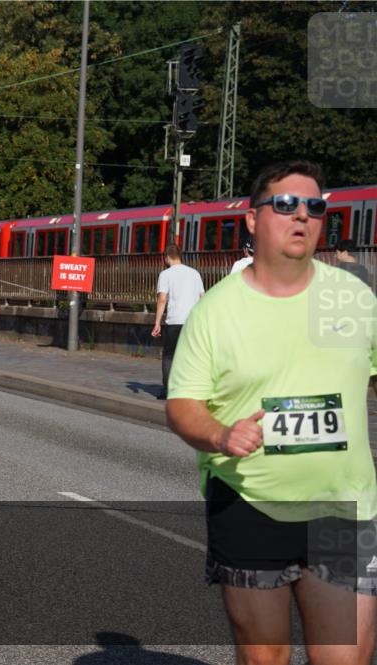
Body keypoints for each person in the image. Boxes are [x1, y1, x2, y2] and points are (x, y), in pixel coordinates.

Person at [167, 161, 377, 664]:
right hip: (248, 502)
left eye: (315, 206)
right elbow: (182, 405)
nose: (302, 215)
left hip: (343, 508)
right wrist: (221, 436)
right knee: (265, 658)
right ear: (254, 219)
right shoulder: (216, 311)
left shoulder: (354, 298)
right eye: (286, 205)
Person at [151, 244, 204, 400]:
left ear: (167, 257)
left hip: (174, 321)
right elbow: (203, 298)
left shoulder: (166, 274)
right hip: (192, 322)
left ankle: (168, 390)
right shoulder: (194, 273)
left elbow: (162, 299)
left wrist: (157, 322)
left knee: (169, 356)